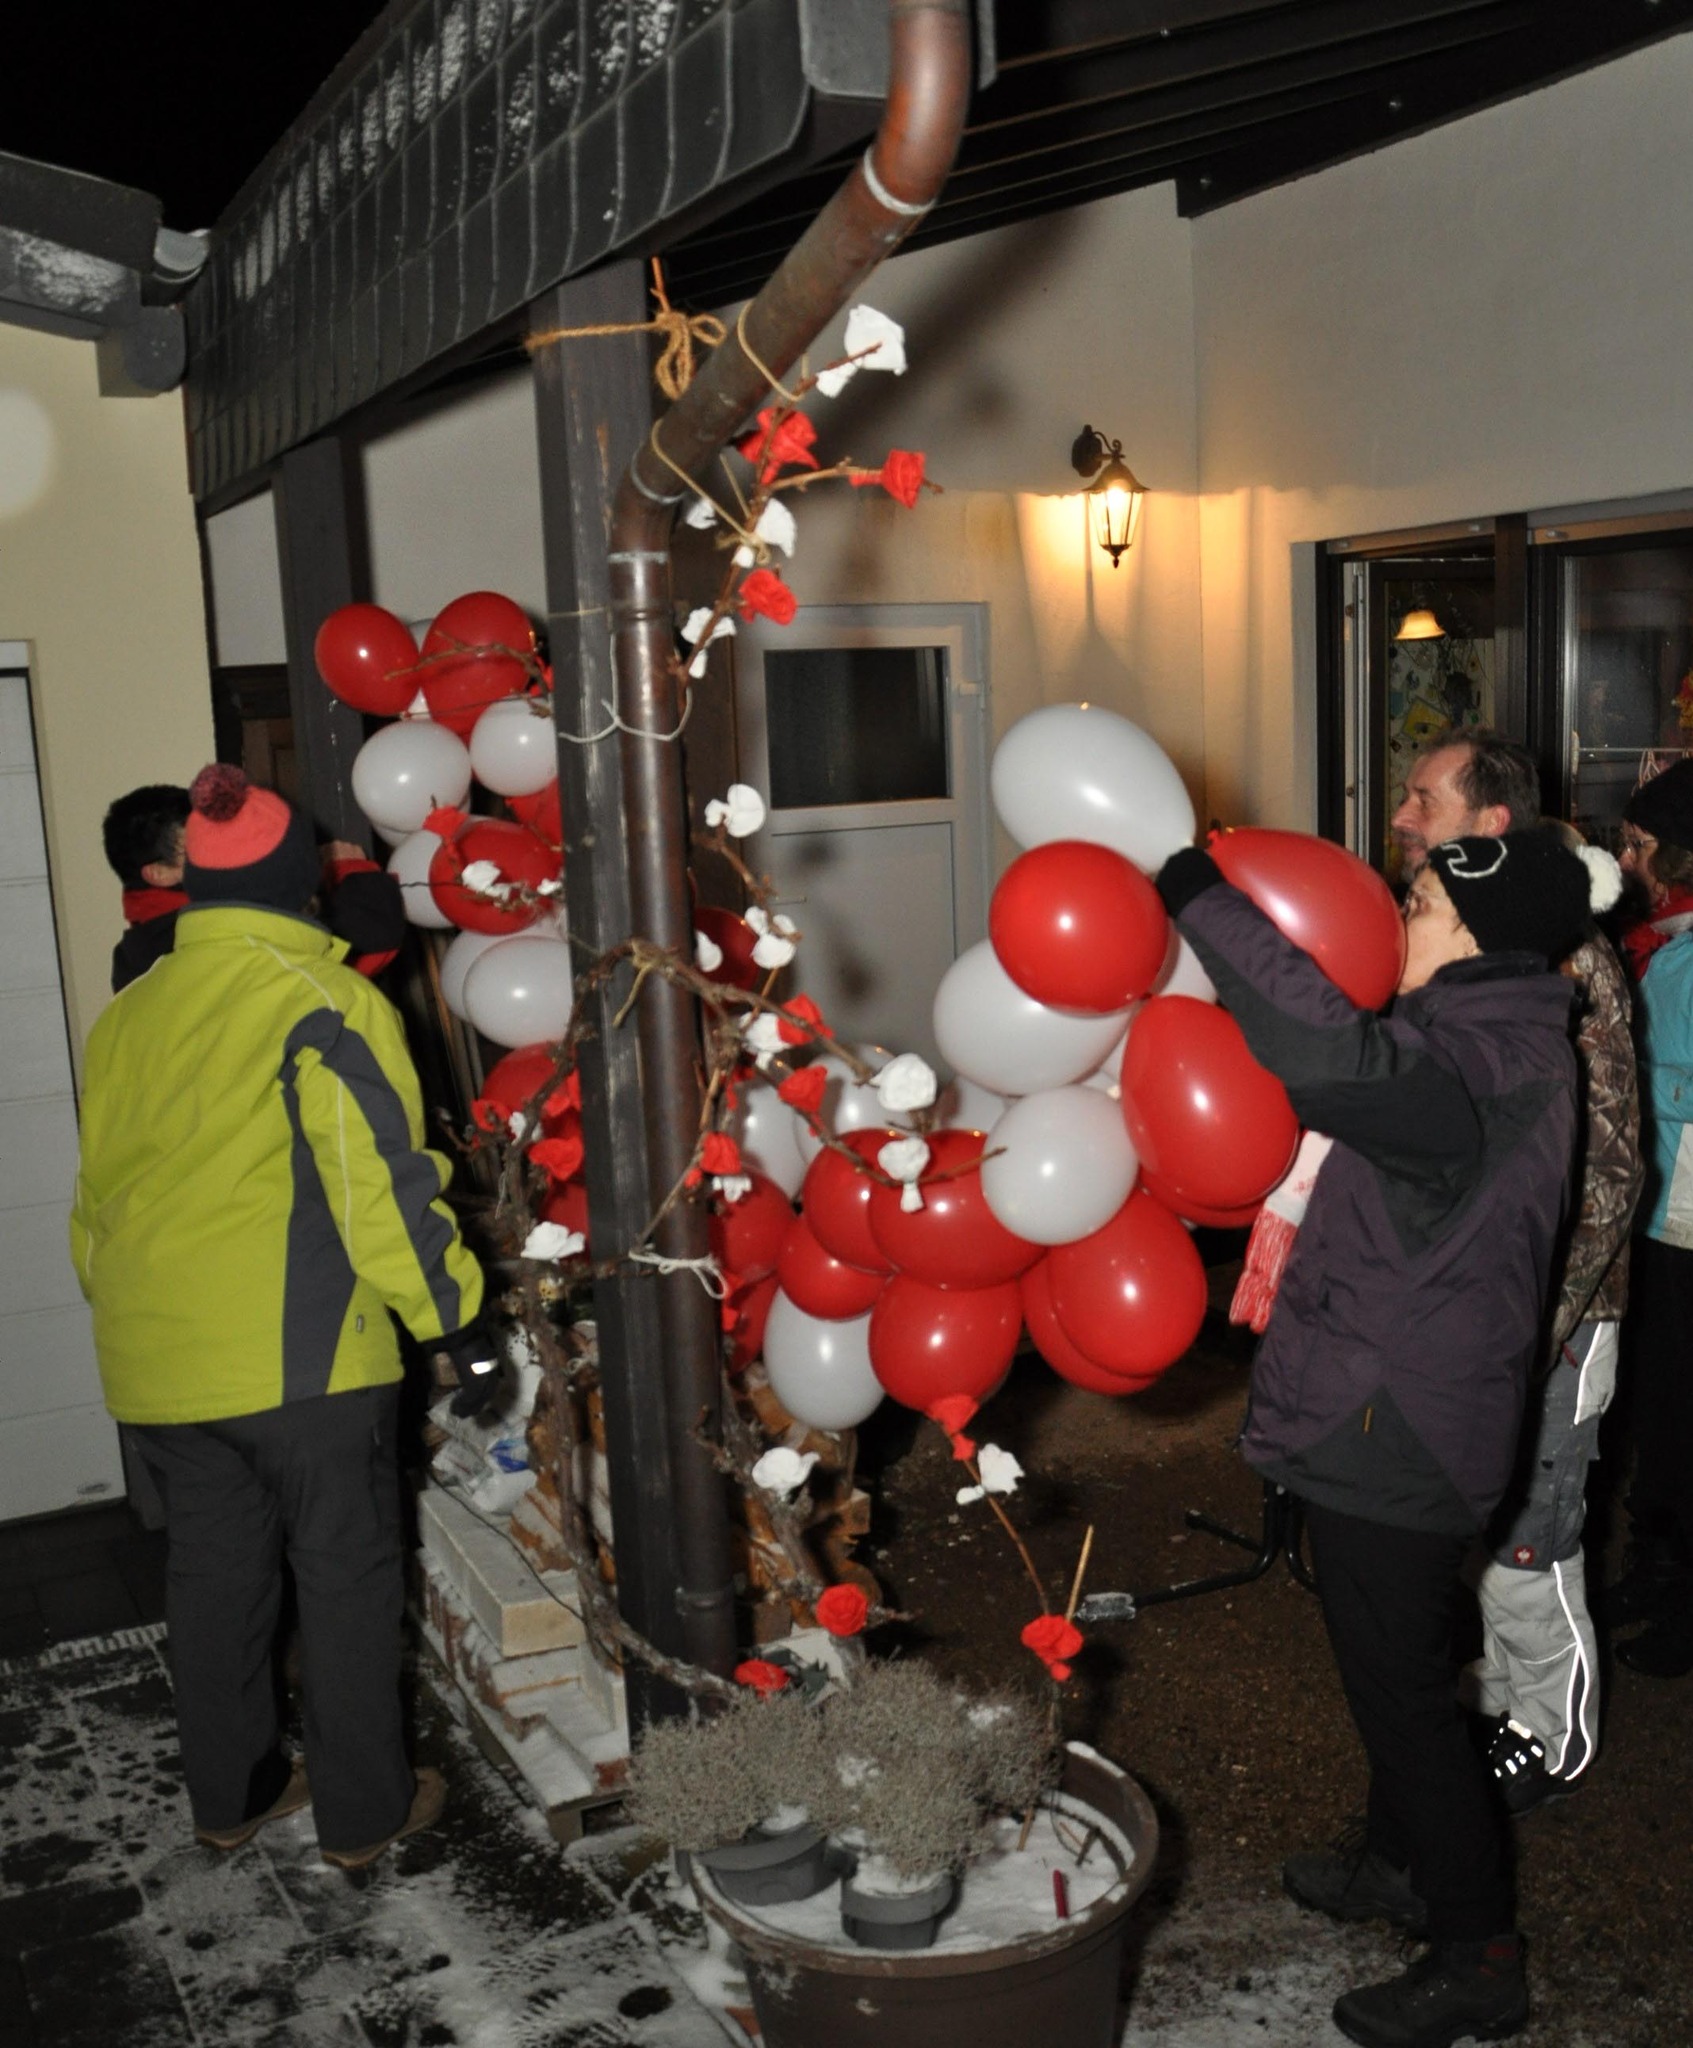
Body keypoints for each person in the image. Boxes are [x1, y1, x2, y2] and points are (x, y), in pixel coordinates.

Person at [1159, 828, 1592, 2048]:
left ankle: (1478, 1953)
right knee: (1400, 1668)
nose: (1396, 915)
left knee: (1400, 1694)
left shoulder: (1478, 1060)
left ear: (1474, 933)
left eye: (1418, 901)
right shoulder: (1489, 1035)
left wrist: (1197, 895)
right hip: (1402, 1408)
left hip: (1400, 1427)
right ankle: (1401, 1864)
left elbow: (1323, 1051)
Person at [73, 764, 500, 1869]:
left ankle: (236, 1791)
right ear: (293, 880)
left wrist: (129, 1318)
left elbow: (95, 1199)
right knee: (345, 1578)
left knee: (215, 1579)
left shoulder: (129, 1011)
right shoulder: (321, 1000)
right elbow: (381, 1190)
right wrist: (456, 1326)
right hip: (299, 1362)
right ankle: (364, 1814)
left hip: (157, 1363)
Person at [1390, 732, 1642, 1809]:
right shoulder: (1451, 935)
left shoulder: (1563, 956)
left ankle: (1551, 1737)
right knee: (1482, 1530)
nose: (1401, 817)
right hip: (1479, 1309)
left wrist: (1534, 1325)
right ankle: (1501, 1705)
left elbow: (1608, 1173)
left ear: (1490, 824)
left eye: (1423, 799)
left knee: (1533, 1534)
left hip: (1554, 1320)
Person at [1609, 758, 1693, 1677]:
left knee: (1679, 1408)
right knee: (1654, 1404)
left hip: (1686, 1222)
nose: (1625, 859)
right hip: (1662, 1214)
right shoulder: (1660, 944)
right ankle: (1657, 1565)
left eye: (1637, 843)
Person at [101, 781, 406, 992]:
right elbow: (371, 937)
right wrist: (348, 870)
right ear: (159, 874)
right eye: (197, 844)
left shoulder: (133, 965)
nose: (215, 847)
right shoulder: (210, 929)